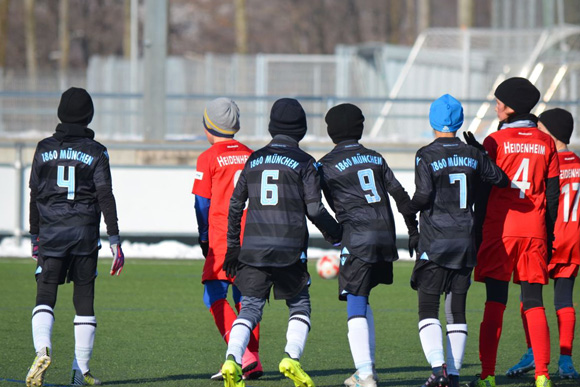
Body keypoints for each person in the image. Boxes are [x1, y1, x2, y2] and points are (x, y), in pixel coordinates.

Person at [220, 98, 342, 387]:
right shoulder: (305, 162)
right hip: (289, 250)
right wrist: (337, 234)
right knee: (299, 305)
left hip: (253, 249)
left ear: (271, 128)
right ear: (301, 130)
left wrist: (233, 247)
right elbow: (314, 209)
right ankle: (291, 357)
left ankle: (232, 360)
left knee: (248, 308)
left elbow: (235, 205)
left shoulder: (254, 159)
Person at [400, 95, 508, 387]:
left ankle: (438, 371)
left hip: (436, 241)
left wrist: (406, 209)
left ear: (432, 121)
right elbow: (500, 179)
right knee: (456, 309)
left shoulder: (425, 154)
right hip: (465, 241)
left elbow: (422, 197)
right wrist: (479, 152)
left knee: (427, 308)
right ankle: (455, 375)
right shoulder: (472, 155)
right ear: (460, 122)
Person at [26, 87, 124, 387]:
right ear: (89, 115)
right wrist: (115, 238)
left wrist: (34, 236)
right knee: (84, 298)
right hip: (83, 233)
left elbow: (34, 194)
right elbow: (105, 195)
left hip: (51, 232)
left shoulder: (43, 148)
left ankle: (43, 349)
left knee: (45, 296)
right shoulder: (97, 151)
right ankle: (80, 370)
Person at [316, 103, 419, 387]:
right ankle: (367, 368)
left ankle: (364, 374)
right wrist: (413, 230)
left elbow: (315, 207)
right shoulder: (375, 158)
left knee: (355, 300)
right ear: (359, 129)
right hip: (385, 235)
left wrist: (335, 235)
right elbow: (400, 195)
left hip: (357, 238)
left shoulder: (324, 165)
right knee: (363, 297)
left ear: (331, 132)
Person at [466, 78, 560, 387]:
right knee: (534, 301)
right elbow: (553, 193)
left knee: (495, 301)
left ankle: (487, 374)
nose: (496, 106)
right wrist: (548, 233)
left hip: (500, 229)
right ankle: (543, 374)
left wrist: (477, 233)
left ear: (510, 107)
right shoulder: (546, 142)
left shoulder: (494, 141)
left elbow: (482, 192)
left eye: (499, 102)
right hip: (533, 230)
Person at [191, 97, 262, 380]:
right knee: (247, 296)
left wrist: (204, 236)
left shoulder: (207, 157)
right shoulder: (252, 154)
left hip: (222, 237)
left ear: (209, 126)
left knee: (213, 293)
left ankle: (242, 355)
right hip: (253, 237)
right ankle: (253, 359)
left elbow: (201, 204)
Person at [506, 108, 579, 380]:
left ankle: (532, 353)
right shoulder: (579, 164)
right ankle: (567, 361)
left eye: (541, 126)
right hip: (573, 241)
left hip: (546, 237)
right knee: (564, 300)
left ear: (552, 132)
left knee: (530, 299)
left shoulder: (548, 161)